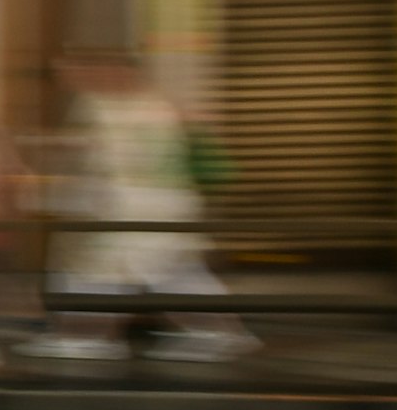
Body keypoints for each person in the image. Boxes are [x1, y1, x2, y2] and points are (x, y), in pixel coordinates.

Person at [32, 48, 253, 364]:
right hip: (157, 204)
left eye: (75, 70)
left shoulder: (120, 107)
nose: (68, 79)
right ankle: (217, 332)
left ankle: (86, 336)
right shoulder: (152, 104)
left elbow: (106, 159)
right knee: (171, 274)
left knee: (105, 271)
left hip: (135, 206)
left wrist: (61, 180)